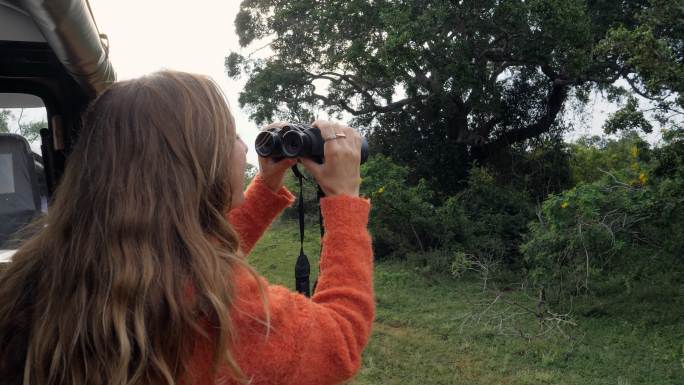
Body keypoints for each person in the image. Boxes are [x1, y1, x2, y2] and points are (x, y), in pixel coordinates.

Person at [0, 71, 374, 385]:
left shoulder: (39, 270)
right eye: (232, 135)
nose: (245, 148)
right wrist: (344, 200)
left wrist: (266, 185)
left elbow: (194, 252)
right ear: (196, 164)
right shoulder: (218, 308)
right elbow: (339, 340)